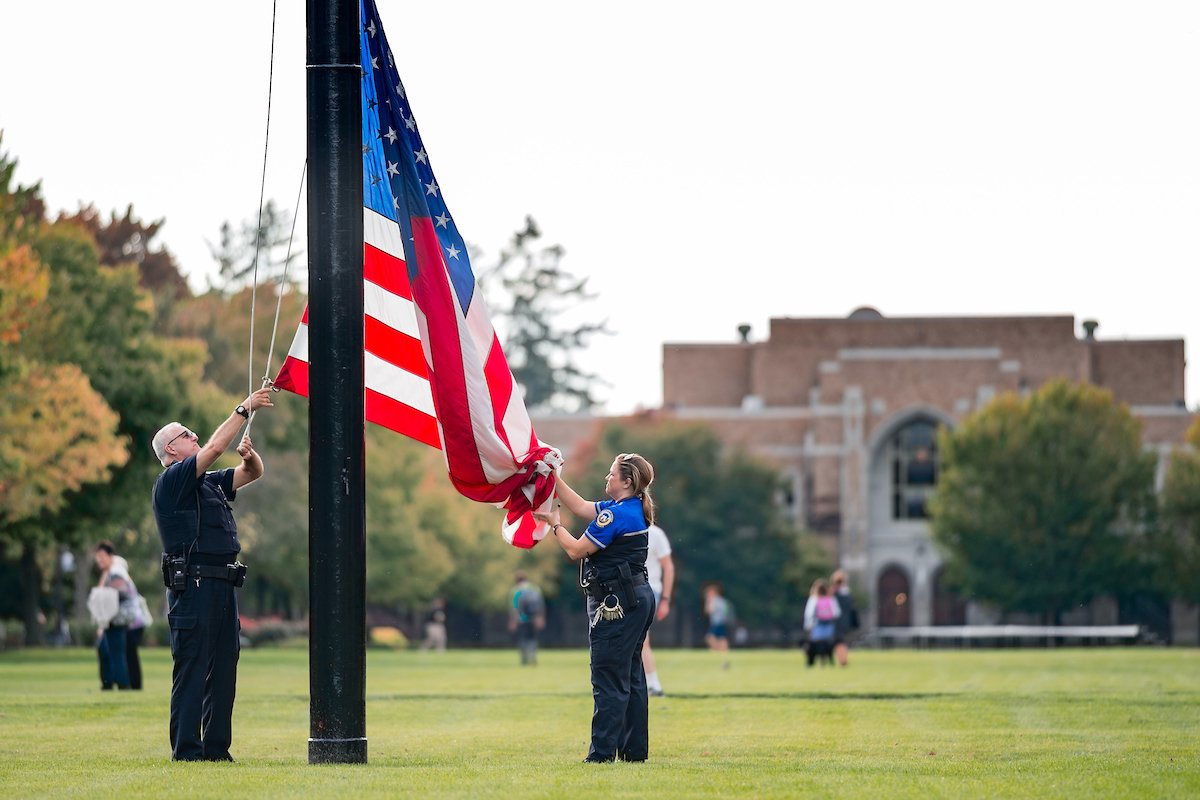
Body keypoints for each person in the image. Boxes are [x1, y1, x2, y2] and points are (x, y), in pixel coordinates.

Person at [150, 387, 274, 762]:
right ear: (171, 449)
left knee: (224, 668)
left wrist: (251, 458)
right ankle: (187, 751)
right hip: (194, 587)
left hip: (222, 585)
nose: (195, 437)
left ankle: (217, 750)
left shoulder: (207, 482)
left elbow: (251, 474)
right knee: (192, 669)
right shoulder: (172, 483)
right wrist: (243, 408)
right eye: (186, 435)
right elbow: (217, 448)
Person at [535, 452, 657, 763]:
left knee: (607, 677)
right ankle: (634, 752)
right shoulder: (628, 509)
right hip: (636, 599)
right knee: (630, 676)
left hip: (617, 604)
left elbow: (576, 550)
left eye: (612, 474)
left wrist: (555, 525)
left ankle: (601, 754)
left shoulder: (615, 516)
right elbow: (580, 506)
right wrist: (553, 476)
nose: (607, 478)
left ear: (626, 482)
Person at [93, 541, 141, 691]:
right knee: (106, 649)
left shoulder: (116, 572)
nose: (99, 560)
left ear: (110, 556)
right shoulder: (110, 571)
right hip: (114, 618)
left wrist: (103, 619)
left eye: (102, 556)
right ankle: (109, 683)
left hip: (118, 619)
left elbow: (117, 594)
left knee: (116, 653)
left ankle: (122, 685)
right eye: (97, 557)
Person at [642, 523, 674, 697]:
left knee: (641, 638)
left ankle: (653, 684)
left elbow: (668, 566)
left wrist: (665, 600)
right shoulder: (624, 528)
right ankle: (647, 683)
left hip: (649, 589)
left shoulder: (655, 534)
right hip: (630, 589)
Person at [508, 572, 545, 666]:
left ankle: (524, 659)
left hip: (521, 619)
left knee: (523, 638)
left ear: (516, 580)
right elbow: (540, 604)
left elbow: (514, 607)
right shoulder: (535, 588)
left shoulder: (515, 590)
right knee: (533, 638)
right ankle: (533, 656)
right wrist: (540, 618)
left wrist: (513, 621)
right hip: (534, 618)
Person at [804, 578, 841, 667]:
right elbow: (836, 613)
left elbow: (809, 613)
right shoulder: (831, 599)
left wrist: (808, 625)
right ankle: (825, 660)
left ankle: (818, 660)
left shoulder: (814, 599)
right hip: (828, 623)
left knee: (817, 643)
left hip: (817, 624)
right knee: (826, 643)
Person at [831, 569, 859, 667]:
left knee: (838, 642)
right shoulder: (847, 592)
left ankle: (842, 659)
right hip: (846, 620)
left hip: (837, 620)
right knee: (843, 641)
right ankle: (843, 658)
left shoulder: (834, 592)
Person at [703, 583, 730, 652]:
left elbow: (709, 611)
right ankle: (722, 650)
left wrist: (709, 601)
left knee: (710, 637)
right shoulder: (721, 600)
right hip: (721, 622)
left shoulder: (716, 601)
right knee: (721, 638)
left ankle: (717, 649)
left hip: (718, 622)